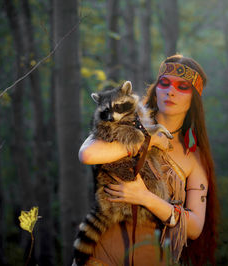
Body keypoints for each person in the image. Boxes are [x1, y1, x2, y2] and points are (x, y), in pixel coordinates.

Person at [79, 54, 219, 265]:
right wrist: (148, 140)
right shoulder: (124, 118)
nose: (170, 91)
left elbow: (194, 228)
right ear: (156, 89)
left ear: (194, 98)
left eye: (182, 87)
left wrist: (145, 197)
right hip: (102, 255)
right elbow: (89, 154)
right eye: (164, 83)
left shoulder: (195, 156)